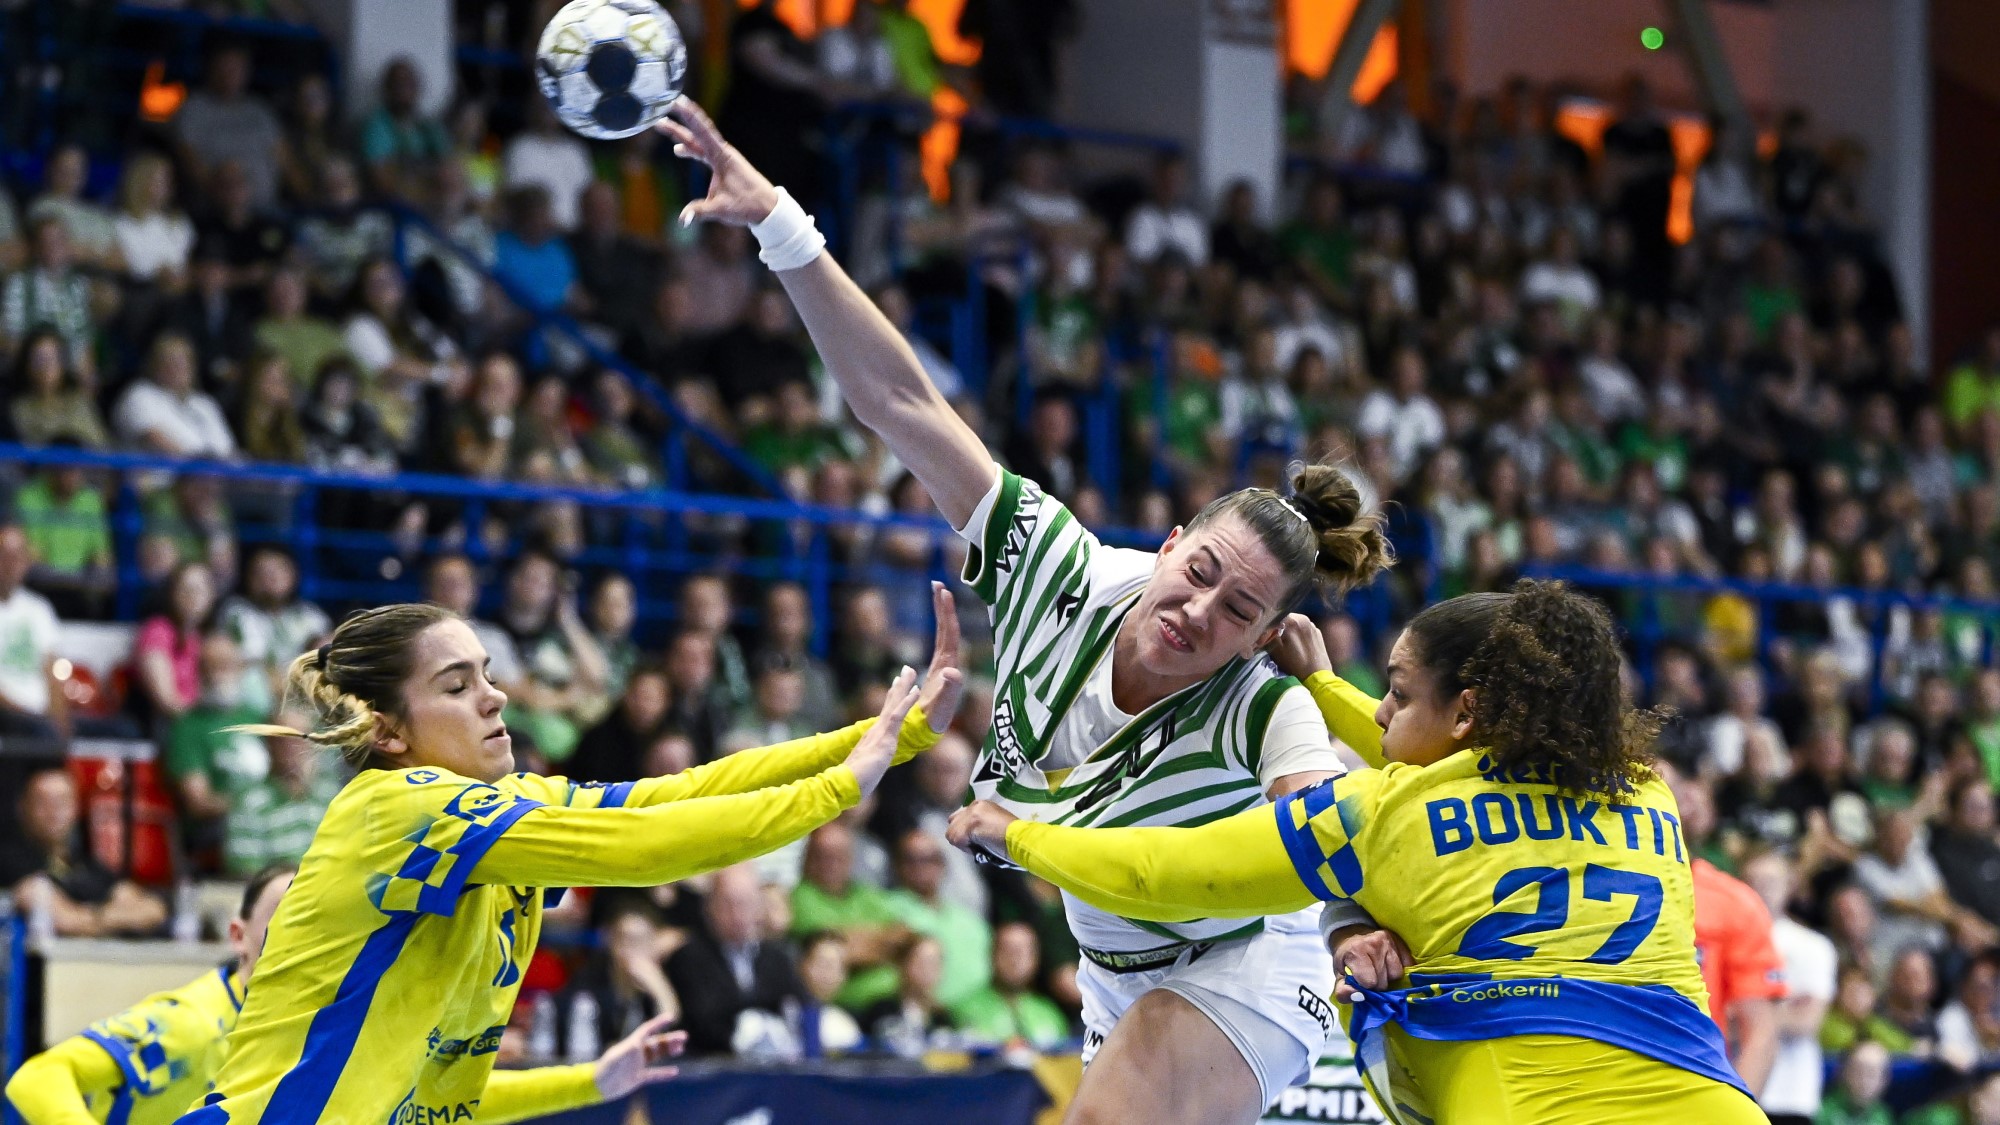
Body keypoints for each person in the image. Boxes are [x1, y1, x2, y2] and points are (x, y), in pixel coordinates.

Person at [661, 97, 1394, 1124]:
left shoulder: (1264, 708)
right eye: (1199, 573)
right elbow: (903, 406)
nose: (1198, 612)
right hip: (1112, 965)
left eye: (1237, 612)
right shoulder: (1059, 566)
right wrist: (782, 225)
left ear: (1265, 636)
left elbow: (1319, 827)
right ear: (1171, 542)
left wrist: (1354, 921)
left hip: (1250, 965)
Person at [947, 581, 1765, 1122]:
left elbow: (1161, 873)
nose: (1377, 714)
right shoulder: (1641, 791)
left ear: (1468, 711)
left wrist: (1018, 833)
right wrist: (1323, 687)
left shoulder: (1378, 812)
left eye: (1398, 693)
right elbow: (1452, 769)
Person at [169, 590, 962, 1122]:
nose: (495, 695)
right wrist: (839, 791)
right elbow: (646, 847)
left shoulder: (501, 815)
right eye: (456, 685)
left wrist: (890, 736)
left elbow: (671, 795)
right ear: (388, 731)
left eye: (487, 672)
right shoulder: (400, 808)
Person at [4, 865, 691, 1125]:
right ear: (240, 934)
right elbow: (40, 1077)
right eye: (281, 924)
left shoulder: (341, 1030)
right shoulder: (194, 1022)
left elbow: (442, 1103)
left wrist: (591, 1081)